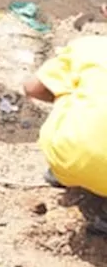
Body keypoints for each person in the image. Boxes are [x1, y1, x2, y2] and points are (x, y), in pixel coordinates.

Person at [22, 36, 107, 198]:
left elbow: (32, 88)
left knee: (73, 89)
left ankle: (64, 175)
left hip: (66, 158)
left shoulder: (89, 46)